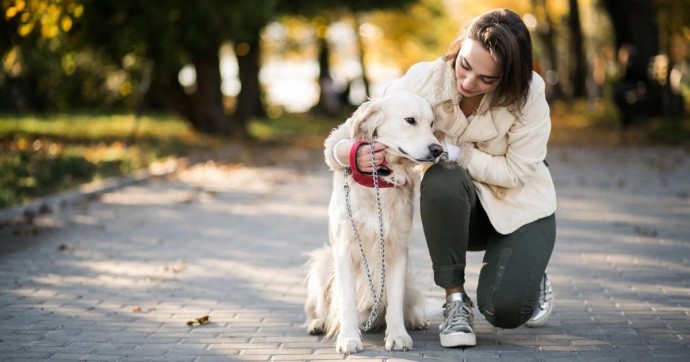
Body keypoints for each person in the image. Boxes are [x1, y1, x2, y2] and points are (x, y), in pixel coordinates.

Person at [323, 8, 557, 348]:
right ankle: (455, 301)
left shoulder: (530, 93)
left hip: (520, 206)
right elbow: (348, 131)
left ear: (509, 76)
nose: (467, 83)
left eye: (486, 79)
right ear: (459, 47)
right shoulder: (426, 78)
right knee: (441, 178)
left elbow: (516, 171)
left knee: (505, 310)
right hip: (457, 209)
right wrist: (349, 151)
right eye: (465, 65)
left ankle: (530, 269)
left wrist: (459, 152)